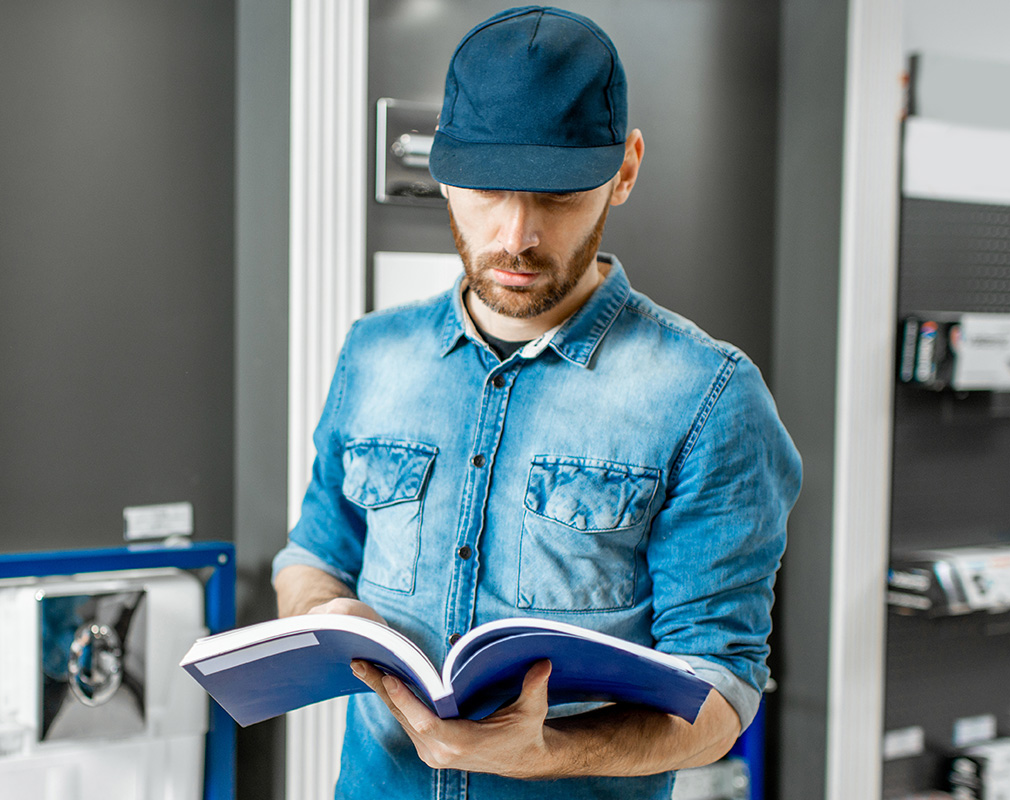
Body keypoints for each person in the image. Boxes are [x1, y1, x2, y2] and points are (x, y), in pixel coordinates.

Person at [272, 6, 801, 799]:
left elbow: (721, 693)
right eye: (486, 189)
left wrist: (548, 752)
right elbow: (314, 554)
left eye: (557, 195)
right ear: (444, 171)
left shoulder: (709, 396)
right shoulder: (372, 355)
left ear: (624, 169)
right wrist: (328, 610)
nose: (516, 235)